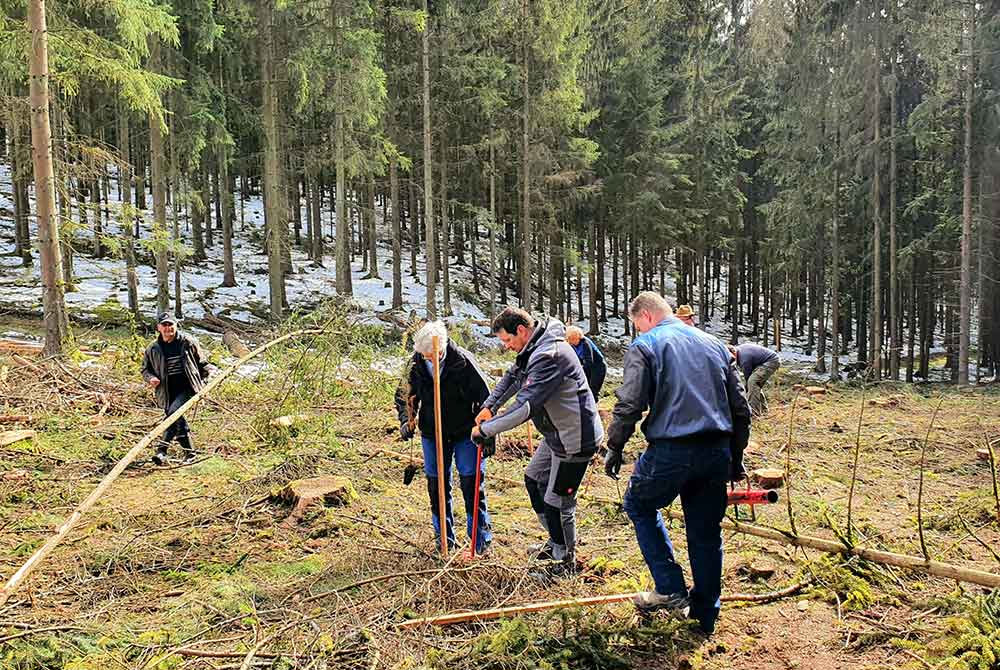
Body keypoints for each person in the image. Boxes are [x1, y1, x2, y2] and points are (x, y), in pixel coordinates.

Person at [603, 292, 750, 636]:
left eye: (637, 324)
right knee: (705, 532)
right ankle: (705, 617)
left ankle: (669, 588)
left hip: (671, 449)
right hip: (716, 449)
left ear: (646, 317)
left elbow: (630, 403)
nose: (637, 330)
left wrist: (615, 445)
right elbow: (740, 408)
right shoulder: (714, 343)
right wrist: (735, 458)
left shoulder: (646, 344)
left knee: (639, 504)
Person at [473, 307, 604, 574]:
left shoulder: (549, 355)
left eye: (507, 340)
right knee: (534, 480)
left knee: (558, 502)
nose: (507, 347)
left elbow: (525, 407)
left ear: (521, 330)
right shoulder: (532, 348)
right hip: (556, 433)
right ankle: (557, 542)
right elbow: (512, 378)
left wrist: (487, 430)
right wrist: (490, 406)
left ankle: (566, 561)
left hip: (576, 437)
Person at [395, 321, 493, 554]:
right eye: (425, 356)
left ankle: (480, 543)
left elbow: (487, 399)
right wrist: (405, 421)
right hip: (432, 432)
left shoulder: (463, 362)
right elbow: (403, 396)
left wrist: (488, 433)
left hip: (465, 432)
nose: (430, 360)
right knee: (436, 485)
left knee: (472, 484)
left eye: (434, 355)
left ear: (443, 347)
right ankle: (443, 542)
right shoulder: (415, 364)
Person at [141, 313, 211, 465]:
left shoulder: (188, 342)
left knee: (173, 414)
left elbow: (204, 364)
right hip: (166, 391)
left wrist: (205, 382)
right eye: (164, 325)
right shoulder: (153, 348)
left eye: (170, 325)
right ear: (159, 328)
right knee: (175, 419)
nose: (168, 328)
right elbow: (145, 370)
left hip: (188, 387)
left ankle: (161, 450)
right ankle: (188, 454)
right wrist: (151, 378)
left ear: (176, 326)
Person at [731, 342, 780, 416]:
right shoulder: (740, 350)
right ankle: (764, 410)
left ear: (734, 352)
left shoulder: (744, 358)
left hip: (771, 361)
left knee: (752, 382)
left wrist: (744, 393)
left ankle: (754, 413)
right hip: (767, 361)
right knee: (754, 385)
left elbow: (748, 378)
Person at [565, 325, 607, 400]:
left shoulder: (585, 344)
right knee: (583, 388)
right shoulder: (573, 345)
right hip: (588, 368)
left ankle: (593, 408)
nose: (569, 341)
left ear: (577, 337)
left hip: (598, 367)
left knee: (592, 391)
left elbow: (589, 361)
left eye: (571, 339)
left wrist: (579, 370)